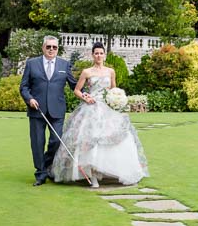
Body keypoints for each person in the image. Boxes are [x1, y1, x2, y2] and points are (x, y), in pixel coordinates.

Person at [52, 42, 148, 188]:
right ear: (92, 55)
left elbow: (113, 89)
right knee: (91, 139)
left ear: (104, 55)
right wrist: (85, 97)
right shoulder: (87, 72)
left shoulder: (110, 71)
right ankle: (93, 175)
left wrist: (117, 99)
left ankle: (120, 171)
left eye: (101, 53)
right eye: (96, 53)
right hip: (90, 108)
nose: (98, 55)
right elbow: (77, 90)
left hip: (107, 108)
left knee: (117, 137)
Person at [19, 35, 77, 186]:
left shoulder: (64, 65)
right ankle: (40, 174)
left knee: (56, 141)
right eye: (48, 47)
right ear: (43, 48)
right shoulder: (32, 64)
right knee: (37, 143)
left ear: (58, 49)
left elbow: (74, 86)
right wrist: (29, 99)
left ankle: (46, 165)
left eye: (54, 47)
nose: (51, 49)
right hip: (37, 109)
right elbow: (24, 87)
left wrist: (86, 94)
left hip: (57, 110)